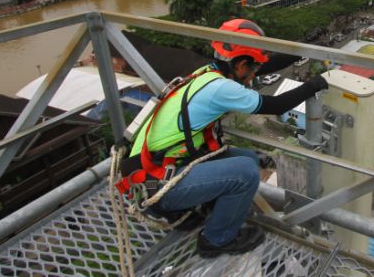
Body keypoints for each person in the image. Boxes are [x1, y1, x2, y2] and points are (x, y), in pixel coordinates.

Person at [117, 18, 328, 258]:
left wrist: (301, 49)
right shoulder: (222, 88)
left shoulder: (208, 72)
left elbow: (265, 66)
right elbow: (277, 104)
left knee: (249, 157)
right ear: (240, 65)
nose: (256, 73)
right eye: (253, 68)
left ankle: (199, 206)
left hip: (155, 168)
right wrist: (313, 85)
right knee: (245, 173)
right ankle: (216, 239)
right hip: (157, 186)